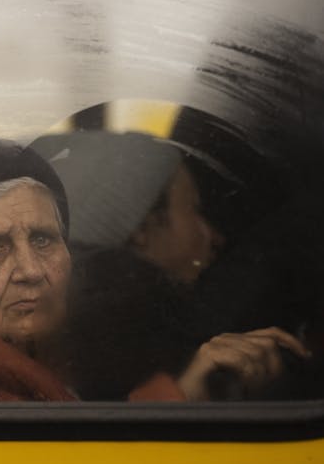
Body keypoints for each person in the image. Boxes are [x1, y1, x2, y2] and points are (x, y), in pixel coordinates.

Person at [28, 130, 312, 400]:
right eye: (194, 209)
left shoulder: (44, 341)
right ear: (143, 231)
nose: (215, 237)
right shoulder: (143, 352)